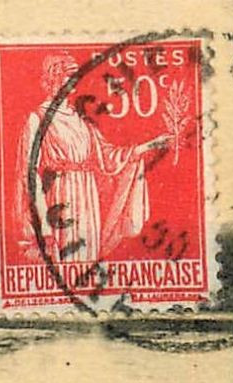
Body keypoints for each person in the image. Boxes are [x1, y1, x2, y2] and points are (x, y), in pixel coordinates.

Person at [18, 53, 171, 265]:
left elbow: (108, 156)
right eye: (68, 76)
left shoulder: (81, 120)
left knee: (87, 259)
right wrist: (43, 224)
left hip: (87, 198)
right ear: (54, 78)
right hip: (60, 197)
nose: (74, 81)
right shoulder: (38, 118)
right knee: (64, 261)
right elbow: (29, 173)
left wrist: (148, 146)